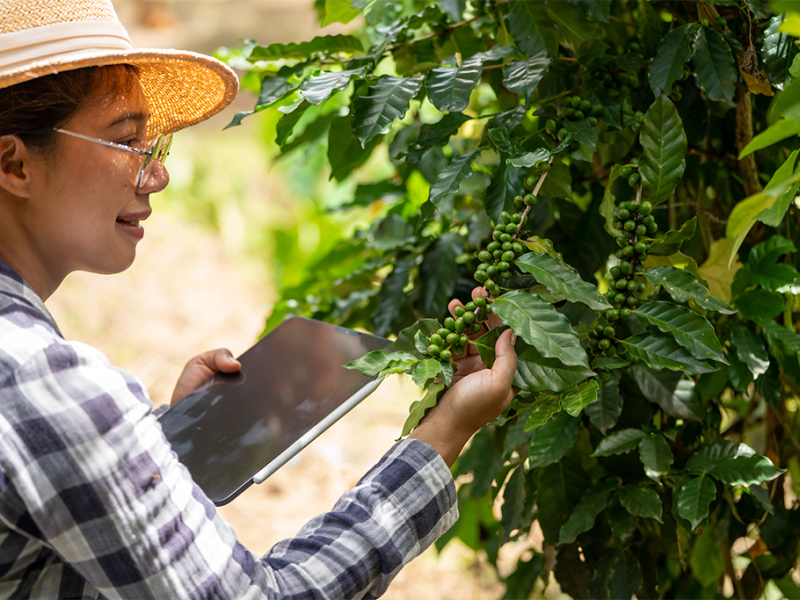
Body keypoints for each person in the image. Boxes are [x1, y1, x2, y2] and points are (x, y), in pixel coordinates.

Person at [0, 1, 518, 598]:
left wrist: (158, 449)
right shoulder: (48, 385)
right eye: (128, 142)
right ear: (14, 163)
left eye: (155, 146)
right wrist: (443, 435)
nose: (157, 175)